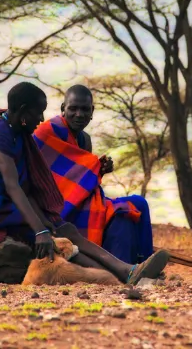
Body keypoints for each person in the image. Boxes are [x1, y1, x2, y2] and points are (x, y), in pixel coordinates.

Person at [0, 82, 170, 285]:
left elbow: (27, 184)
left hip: (10, 204)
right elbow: (12, 185)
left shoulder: (18, 132)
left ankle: (128, 270)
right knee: (56, 239)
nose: (42, 119)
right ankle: (124, 275)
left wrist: (47, 221)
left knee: (66, 230)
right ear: (22, 111)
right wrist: (40, 229)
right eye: (37, 112)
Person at [33, 84, 155, 263]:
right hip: (56, 208)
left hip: (81, 201)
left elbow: (81, 179)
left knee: (139, 202)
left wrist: (100, 169)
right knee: (125, 209)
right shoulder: (46, 133)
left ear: (92, 112)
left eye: (85, 109)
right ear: (63, 109)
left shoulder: (84, 139)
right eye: (73, 108)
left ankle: (145, 260)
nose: (79, 114)